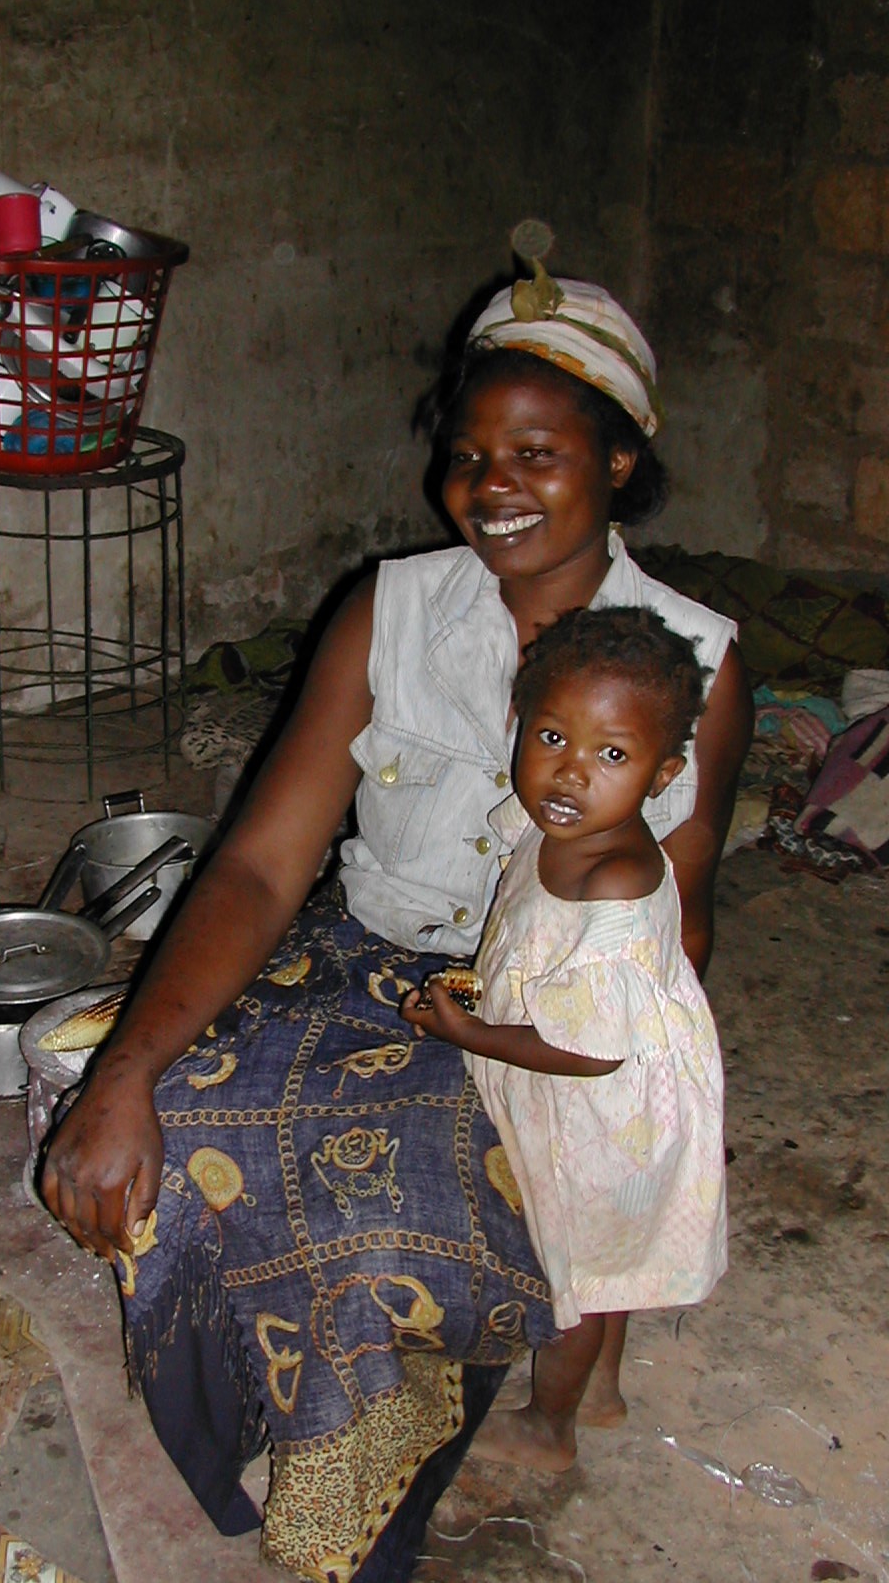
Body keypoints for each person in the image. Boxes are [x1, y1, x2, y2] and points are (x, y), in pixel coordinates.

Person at [40, 258, 753, 1583]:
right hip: (366, 955)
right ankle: (285, 1408)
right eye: (469, 453)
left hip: (556, 1006)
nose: (492, 488)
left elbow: (678, 937)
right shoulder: (392, 610)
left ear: (620, 458)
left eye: (538, 452)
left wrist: (556, 1059)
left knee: (381, 1213)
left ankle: (410, 1432)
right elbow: (258, 869)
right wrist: (131, 1068)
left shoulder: (687, 661)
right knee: (146, 1123)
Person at [401, 605, 728, 1476]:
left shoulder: (615, 882)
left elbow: (592, 1050)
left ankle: (551, 1425)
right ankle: (606, 1382)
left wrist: (471, 1031)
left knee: (573, 1281)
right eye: (551, 736)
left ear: (664, 775)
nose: (569, 773)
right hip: (578, 1069)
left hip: (602, 1110)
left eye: (611, 755)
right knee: (607, 1264)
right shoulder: (557, 827)